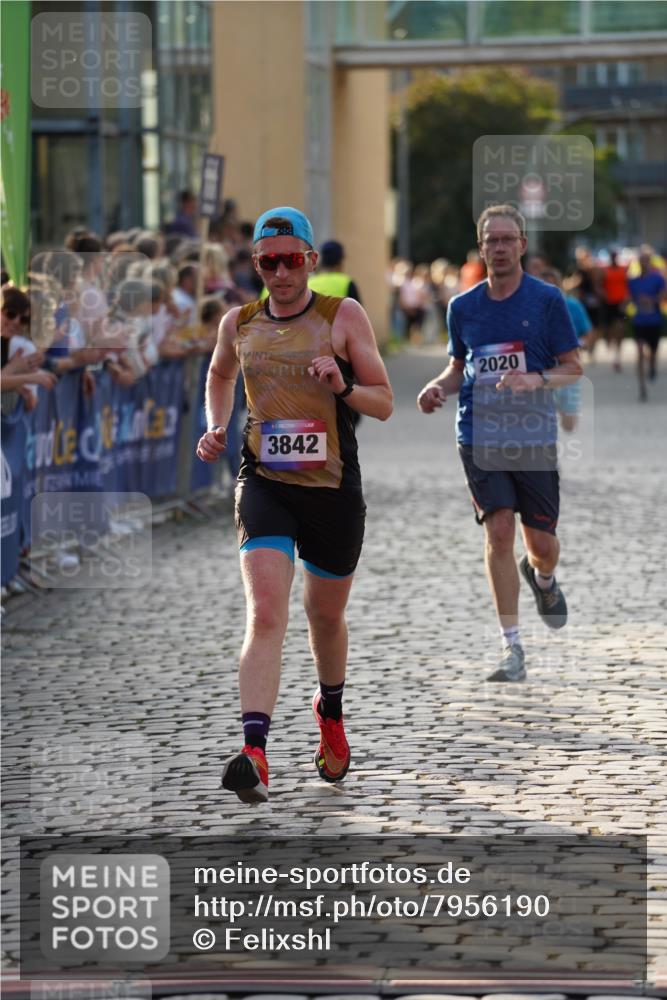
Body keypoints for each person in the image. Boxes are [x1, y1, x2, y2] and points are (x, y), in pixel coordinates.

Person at [196, 206, 392, 802]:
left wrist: (343, 386)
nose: (280, 273)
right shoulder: (240, 322)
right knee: (266, 614)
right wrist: (217, 426)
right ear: (256, 264)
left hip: (331, 488)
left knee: (324, 617)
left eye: (290, 260)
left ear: (309, 260)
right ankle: (254, 749)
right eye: (267, 262)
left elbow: (383, 402)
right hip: (265, 484)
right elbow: (220, 375)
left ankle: (330, 710)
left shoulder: (342, 316)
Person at [417, 205, 582, 683]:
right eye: (492, 240)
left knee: (543, 544)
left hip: (532, 437)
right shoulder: (462, 307)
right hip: (478, 434)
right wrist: (437, 388)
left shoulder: (547, 301)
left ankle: (543, 577)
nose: (501, 247)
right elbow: (456, 367)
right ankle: (512, 649)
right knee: (500, 531)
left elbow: (573, 366)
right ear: (481, 246)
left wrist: (536, 379)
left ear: (523, 245)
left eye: (509, 239)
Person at [541, 267, 592, 433]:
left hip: (568, 367)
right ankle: (550, 449)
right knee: (543, 418)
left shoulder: (572, 305)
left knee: (569, 424)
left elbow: (589, 332)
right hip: (543, 368)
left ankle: (561, 413)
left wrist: (580, 344)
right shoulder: (532, 309)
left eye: (552, 287)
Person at [627, 246, 666, 402]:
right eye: (641, 260)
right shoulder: (633, 281)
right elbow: (629, 298)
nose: (643, 263)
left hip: (654, 321)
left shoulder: (658, 279)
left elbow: (663, 297)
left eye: (645, 260)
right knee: (639, 352)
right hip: (639, 321)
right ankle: (642, 387)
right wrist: (625, 305)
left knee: (653, 352)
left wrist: (652, 300)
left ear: (650, 261)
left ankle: (652, 366)